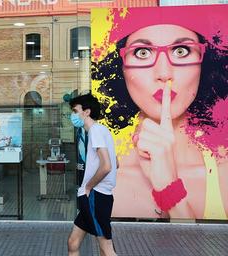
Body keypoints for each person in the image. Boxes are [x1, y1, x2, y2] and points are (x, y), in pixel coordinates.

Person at [91, 6, 228, 219]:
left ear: (204, 62)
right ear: (121, 68)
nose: (164, 74)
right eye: (142, 52)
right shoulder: (107, 177)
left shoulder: (223, 171)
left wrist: (169, 186)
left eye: (181, 50)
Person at [67, 93, 117, 256]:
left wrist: (88, 187)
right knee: (73, 243)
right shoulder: (102, 130)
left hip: (95, 196)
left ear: (86, 112)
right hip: (96, 196)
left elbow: (107, 166)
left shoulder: (95, 130)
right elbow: (116, 163)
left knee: (106, 249)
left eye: (75, 111)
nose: (73, 115)